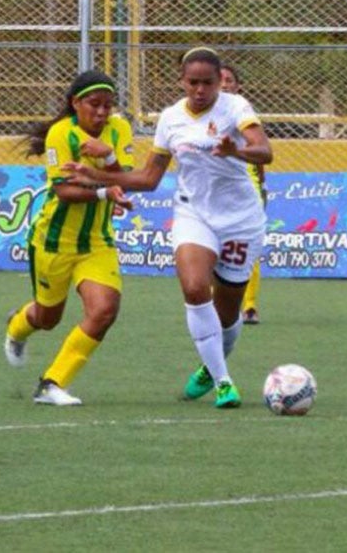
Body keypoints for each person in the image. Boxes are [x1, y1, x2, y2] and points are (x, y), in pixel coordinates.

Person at [63, 47, 273, 408]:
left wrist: (234, 150)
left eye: (208, 82)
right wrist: (94, 174)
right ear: (182, 81)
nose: (200, 90)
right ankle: (224, 382)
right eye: (193, 82)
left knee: (227, 312)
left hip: (240, 218)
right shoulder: (171, 118)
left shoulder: (236, 108)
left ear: (219, 81)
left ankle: (211, 364)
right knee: (194, 288)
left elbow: (264, 151)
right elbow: (148, 178)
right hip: (194, 213)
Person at [3, 70, 133, 406]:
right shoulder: (61, 134)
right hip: (53, 242)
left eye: (108, 105)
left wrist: (107, 156)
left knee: (105, 310)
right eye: (94, 104)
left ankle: (52, 383)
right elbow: (64, 191)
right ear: (75, 103)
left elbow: (127, 177)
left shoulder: (119, 130)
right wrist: (105, 192)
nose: (102, 112)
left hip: (97, 242)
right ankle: (17, 325)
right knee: (47, 319)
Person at [220, 63, 267, 326]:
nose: (225, 84)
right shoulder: (204, 113)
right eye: (221, 79)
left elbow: (259, 152)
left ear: (238, 87)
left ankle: (249, 306)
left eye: (230, 80)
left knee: (249, 245)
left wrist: (261, 184)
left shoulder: (242, 111)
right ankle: (218, 302)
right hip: (215, 190)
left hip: (245, 186)